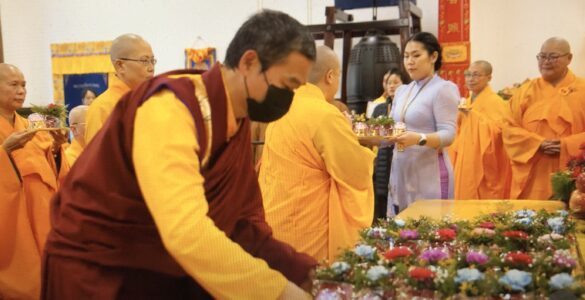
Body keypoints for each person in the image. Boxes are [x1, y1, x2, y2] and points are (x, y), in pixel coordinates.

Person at [42, 10, 317, 299]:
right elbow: (186, 232)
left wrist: (304, 273)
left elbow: (240, 225)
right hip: (101, 272)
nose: (289, 97)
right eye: (288, 85)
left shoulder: (234, 120)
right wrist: (279, 292)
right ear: (249, 62)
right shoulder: (171, 108)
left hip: (156, 267)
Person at [259, 46, 375, 262]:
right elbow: (356, 173)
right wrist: (356, 138)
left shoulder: (282, 108)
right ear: (330, 76)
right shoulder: (324, 114)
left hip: (275, 219)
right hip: (308, 231)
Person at [0, 64, 68, 299]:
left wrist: (58, 149)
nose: (21, 91)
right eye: (13, 85)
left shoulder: (32, 126)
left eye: (24, 85)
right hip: (12, 219)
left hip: (40, 212)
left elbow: (49, 167)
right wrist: (4, 151)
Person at [387, 32, 459, 216]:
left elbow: (448, 134)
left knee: (431, 230)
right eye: (406, 56)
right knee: (403, 230)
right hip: (402, 170)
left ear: (433, 56)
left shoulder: (443, 89)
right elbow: (393, 127)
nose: (410, 61)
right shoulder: (403, 90)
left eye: (416, 55)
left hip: (430, 173)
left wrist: (418, 138)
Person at [503, 37, 585, 200]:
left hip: (574, 173)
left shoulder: (582, 90)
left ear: (569, 58)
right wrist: (536, 143)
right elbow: (508, 129)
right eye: (542, 56)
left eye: (553, 57)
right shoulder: (525, 91)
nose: (546, 62)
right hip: (534, 173)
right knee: (532, 220)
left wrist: (567, 145)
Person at [450, 60, 511, 199]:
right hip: (465, 159)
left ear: (489, 77)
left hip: (484, 164)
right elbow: (458, 131)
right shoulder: (467, 101)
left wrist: (471, 115)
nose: (471, 79)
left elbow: (499, 132)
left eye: (476, 75)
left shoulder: (496, 102)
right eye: (468, 75)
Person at [84, 33, 155, 144]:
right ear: (120, 66)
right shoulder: (102, 108)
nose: (151, 68)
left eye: (152, 61)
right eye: (144, 61)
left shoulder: (150, 102)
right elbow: (97, 158)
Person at [370, 68, 408, 219]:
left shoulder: (407, 107)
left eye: (396, 82)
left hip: (401, 155)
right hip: (382, 158)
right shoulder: (379, 108)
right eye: (388, 83)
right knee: (381, 195)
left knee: (400, 199)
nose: (391, 86)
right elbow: (371, 131)